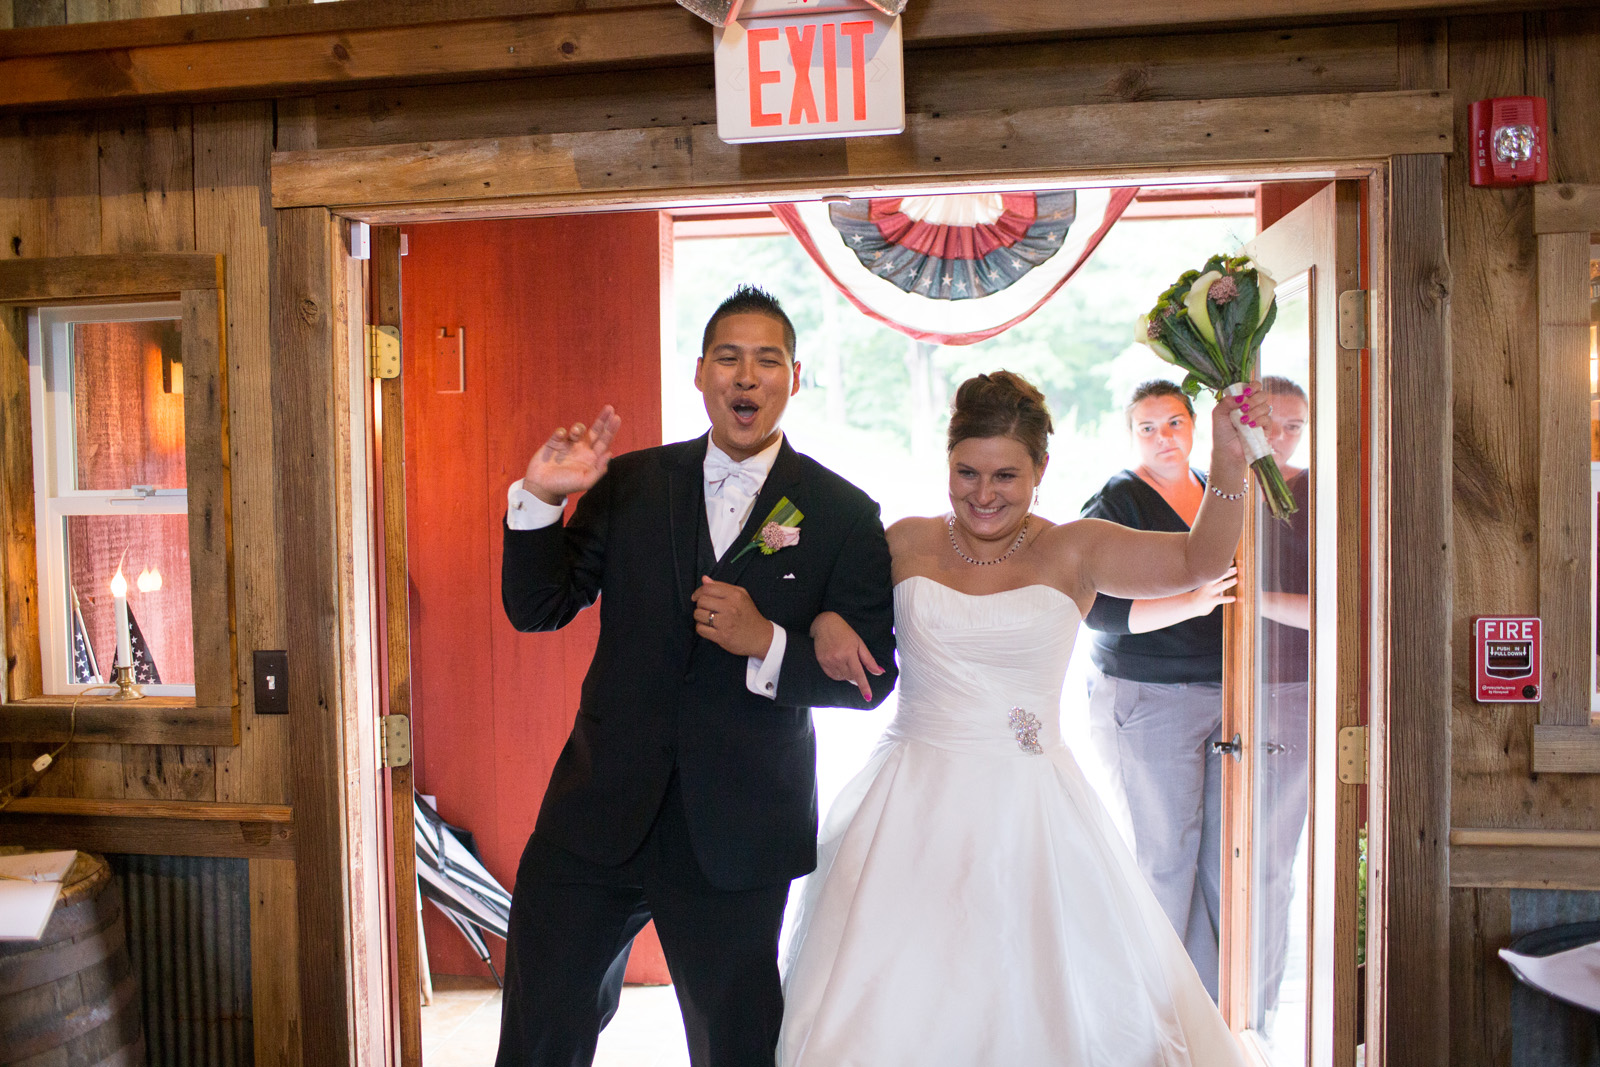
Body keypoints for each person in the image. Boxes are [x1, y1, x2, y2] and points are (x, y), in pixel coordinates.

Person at [778, 370, 1255, 1066]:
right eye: (966, 472)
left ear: (1042, 468)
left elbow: (1198, 560)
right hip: (910, 802)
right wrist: (825, 617)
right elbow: (822, 600)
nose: (983, 494)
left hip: (1032, 811)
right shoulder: (903, 541)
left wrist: (1230, 461)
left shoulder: (1076, 548)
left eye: (1006, 475)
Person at [496, 285, 898, 1067]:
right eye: (728, 357)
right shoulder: (630, 483)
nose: (746, 376)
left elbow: (869, 681)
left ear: (794, 377)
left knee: (733, 1048)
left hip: (738, 832)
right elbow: (538, 606)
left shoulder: (843, 512)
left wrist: (767, 641)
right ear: (700, 372)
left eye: (766, 360)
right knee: (539, 1033)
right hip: (595, 814)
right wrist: (541, 496)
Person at [1079, 380, 1236, 998]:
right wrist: (1190, 602)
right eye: (1147, 427)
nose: (1163, 437)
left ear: (1195, 425)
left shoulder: (1221, 491)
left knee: (1221, 859)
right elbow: (1097, 609)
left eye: (1173, 422)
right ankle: (1159, 1010)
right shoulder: (1116, 502)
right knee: (1164, 860)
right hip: (1146, 697)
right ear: (1131, 435)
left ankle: (1214, 1007)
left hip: (1227, 694)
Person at [1252, 375, 1312, 1023]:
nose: (1281, 436)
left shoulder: (1316, 492)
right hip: (1209, 688)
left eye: (1295, 426)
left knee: (1269, 858)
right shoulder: (1215, 488)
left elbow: (1331, 608)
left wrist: (1250, 599)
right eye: (1270, 422)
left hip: (1292, 688)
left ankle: (1257, 1010)